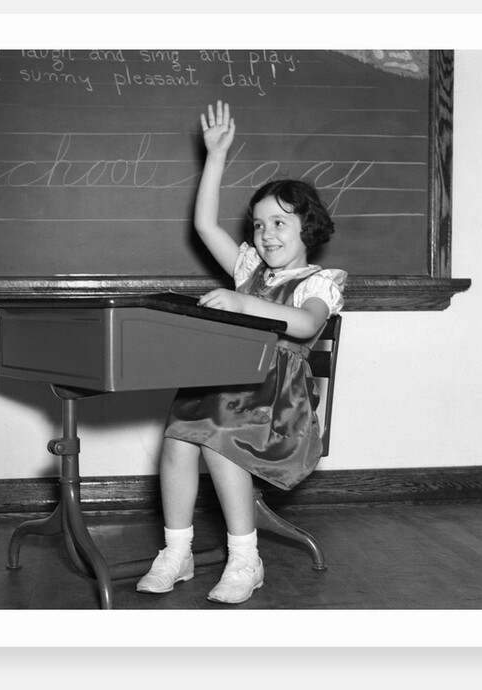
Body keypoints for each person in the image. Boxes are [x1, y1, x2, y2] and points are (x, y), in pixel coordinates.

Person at [136, 101, 347, 604]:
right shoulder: (249, 268)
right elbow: (206, 226)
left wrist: (240, 301)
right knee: (179, 435)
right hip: (229, 383)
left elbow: (306, 323)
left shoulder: (321, 281)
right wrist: (216, 156)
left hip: (278, 405)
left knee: (218, 436)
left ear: (307, 227)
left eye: (279, 223)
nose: (265, 234)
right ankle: (177, 550)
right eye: (258, 225)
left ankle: (244, 558)